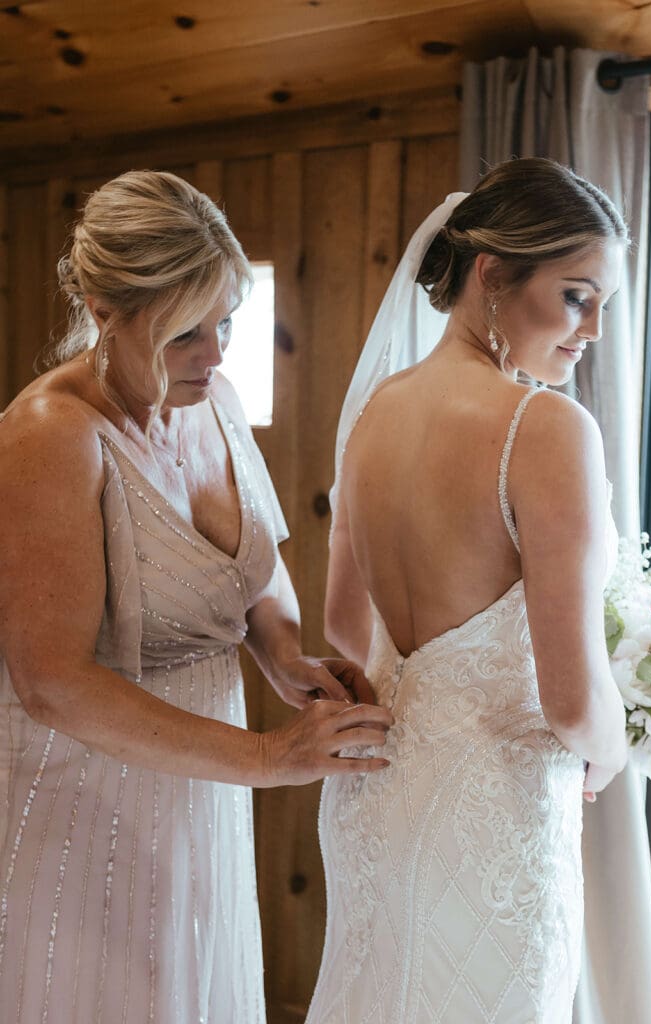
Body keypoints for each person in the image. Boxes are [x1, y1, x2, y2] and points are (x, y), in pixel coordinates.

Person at [0, 170, 393, 1024]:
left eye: (225, 324)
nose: (213, 356)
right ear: (105, 313)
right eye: (185, 333)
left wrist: (284, 654)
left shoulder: (214, 401)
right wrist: (265, 758)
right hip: (85, 802)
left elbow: (254, 562)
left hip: (199, 792)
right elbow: (50, 681)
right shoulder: (50, 437)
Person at [306, 158, 630, 1024]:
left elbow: (344, 624)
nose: (593, 327)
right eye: (575, 295)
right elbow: (569, 702)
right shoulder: (546, 428)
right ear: (492, 274)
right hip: (494, 807)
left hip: (375, 792)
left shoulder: (376, 410)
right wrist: (615, 742)